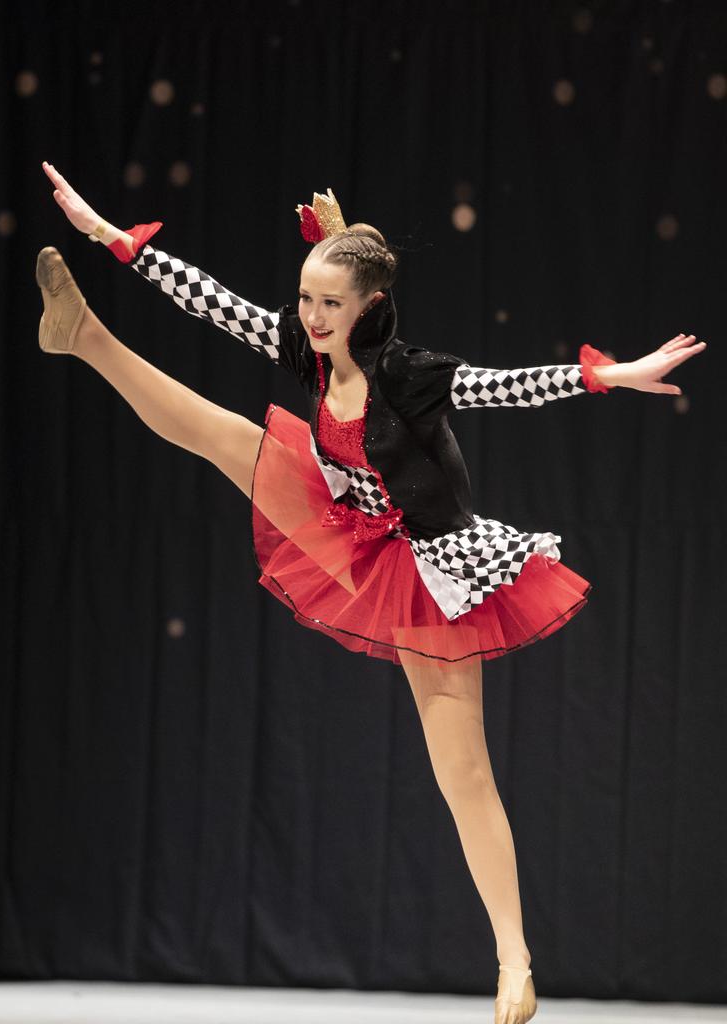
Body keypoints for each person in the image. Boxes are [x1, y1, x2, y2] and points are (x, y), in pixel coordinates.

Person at [37, 161, 705, 1023]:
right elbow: (209, 299)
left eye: (328, 304)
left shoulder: (409, 374)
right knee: (228, 438)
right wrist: (104, 234)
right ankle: (83, 333)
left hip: (434, 570)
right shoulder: (306, 344)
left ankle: (513, 957)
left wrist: (608, 376)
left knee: (463, 772)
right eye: (305, 300)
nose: (308, 319)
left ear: (367, 309)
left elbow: (504, 387)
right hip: (345, 530)